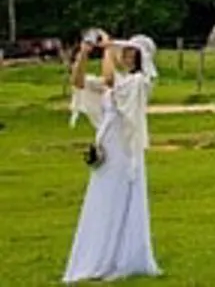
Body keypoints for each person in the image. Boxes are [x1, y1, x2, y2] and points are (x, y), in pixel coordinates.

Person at [66, 31, 161, 282]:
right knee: (102, 201)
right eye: (126, 51)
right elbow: (78, 82)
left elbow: (109, 79)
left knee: (118, 199)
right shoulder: (118, 84)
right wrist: (84, 55)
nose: (128, 56)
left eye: (133, 53)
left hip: (124, 152)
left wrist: (106, 46)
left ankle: (118, 256)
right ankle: (101, 253)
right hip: (107, 151)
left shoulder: (139, 82)